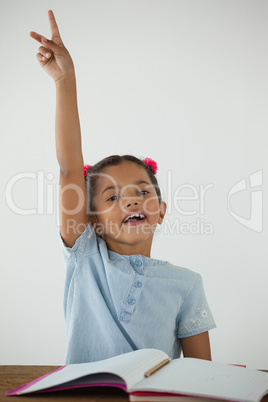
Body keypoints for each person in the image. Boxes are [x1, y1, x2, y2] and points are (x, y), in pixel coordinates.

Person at [30, 10, 216, 364]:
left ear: (161, 211)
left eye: (143, 192)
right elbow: (70, 169)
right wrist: (64, 81)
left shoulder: (187, 284)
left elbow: (200, 376)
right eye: (113, 196)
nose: (131, 201)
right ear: (93, 220)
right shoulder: (85, 258)